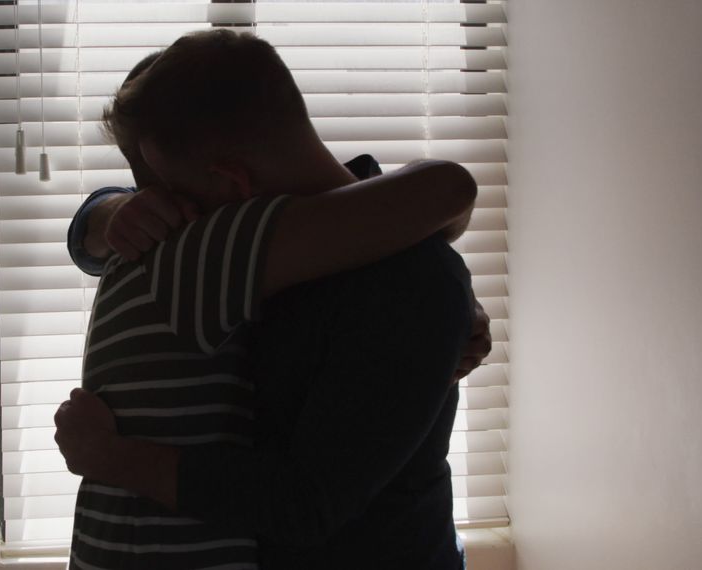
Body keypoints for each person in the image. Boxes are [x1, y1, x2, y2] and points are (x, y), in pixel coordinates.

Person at [56, 30, 488, 569]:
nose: (167, 217)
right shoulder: (253, 258)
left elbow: (304, 505)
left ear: (231, 181)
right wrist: (110, 212)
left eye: (170, 194)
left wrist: (112, 458)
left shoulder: (409, 279)